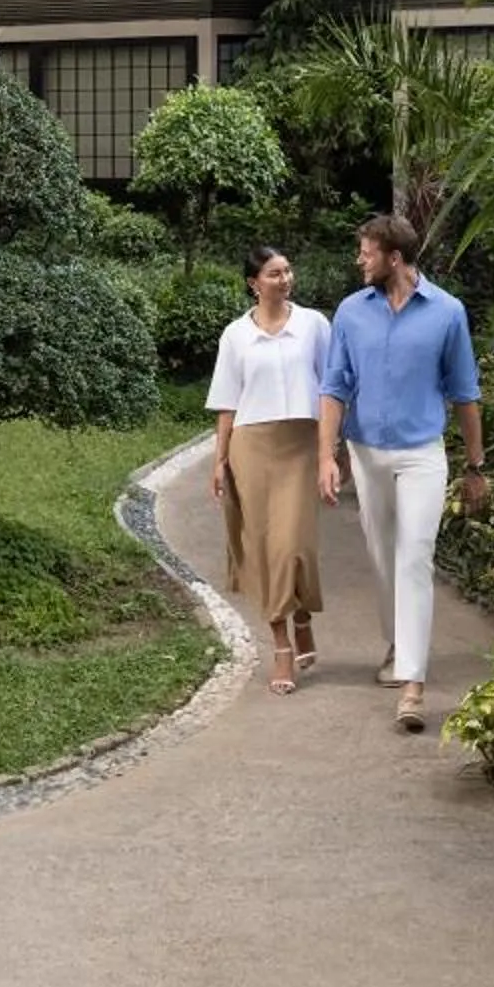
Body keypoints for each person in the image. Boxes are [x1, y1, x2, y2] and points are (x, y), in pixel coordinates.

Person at [318, 214, 483, 733]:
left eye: (366, 252)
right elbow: (334, 386)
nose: (359, 260)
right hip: (367, 453)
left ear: (394, 257)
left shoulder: (447, 313)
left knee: (414, 557)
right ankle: (397, 641)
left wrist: (477, 466)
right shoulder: (350, 312)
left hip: (421, 455)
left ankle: (412, 685)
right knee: (383, 557)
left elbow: (465, 392)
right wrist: (327, 454)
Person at [207, 246, 331, 696]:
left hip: (300, 443)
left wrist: (332, 451)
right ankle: (282, 644)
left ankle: (302, 615)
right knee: (261, 546)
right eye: (275, 273)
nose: (285, 279)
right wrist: (220, 460)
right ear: (253, 282)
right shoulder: (235, 335)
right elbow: (227, 402)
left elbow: (332, 389)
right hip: (251, 447)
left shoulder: (315, 325)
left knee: (293, 544)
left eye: (287, 271)